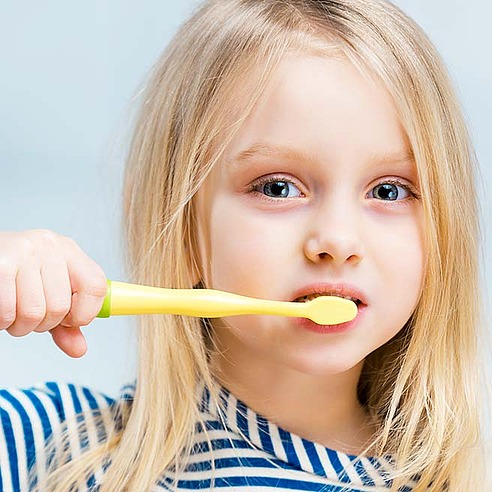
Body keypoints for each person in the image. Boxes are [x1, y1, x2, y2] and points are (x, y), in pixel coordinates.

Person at [0, 0, 489, 490]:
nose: (338, 240)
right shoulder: (47, 445)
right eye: (277, 187)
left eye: (388, 191)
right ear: (182, 226)